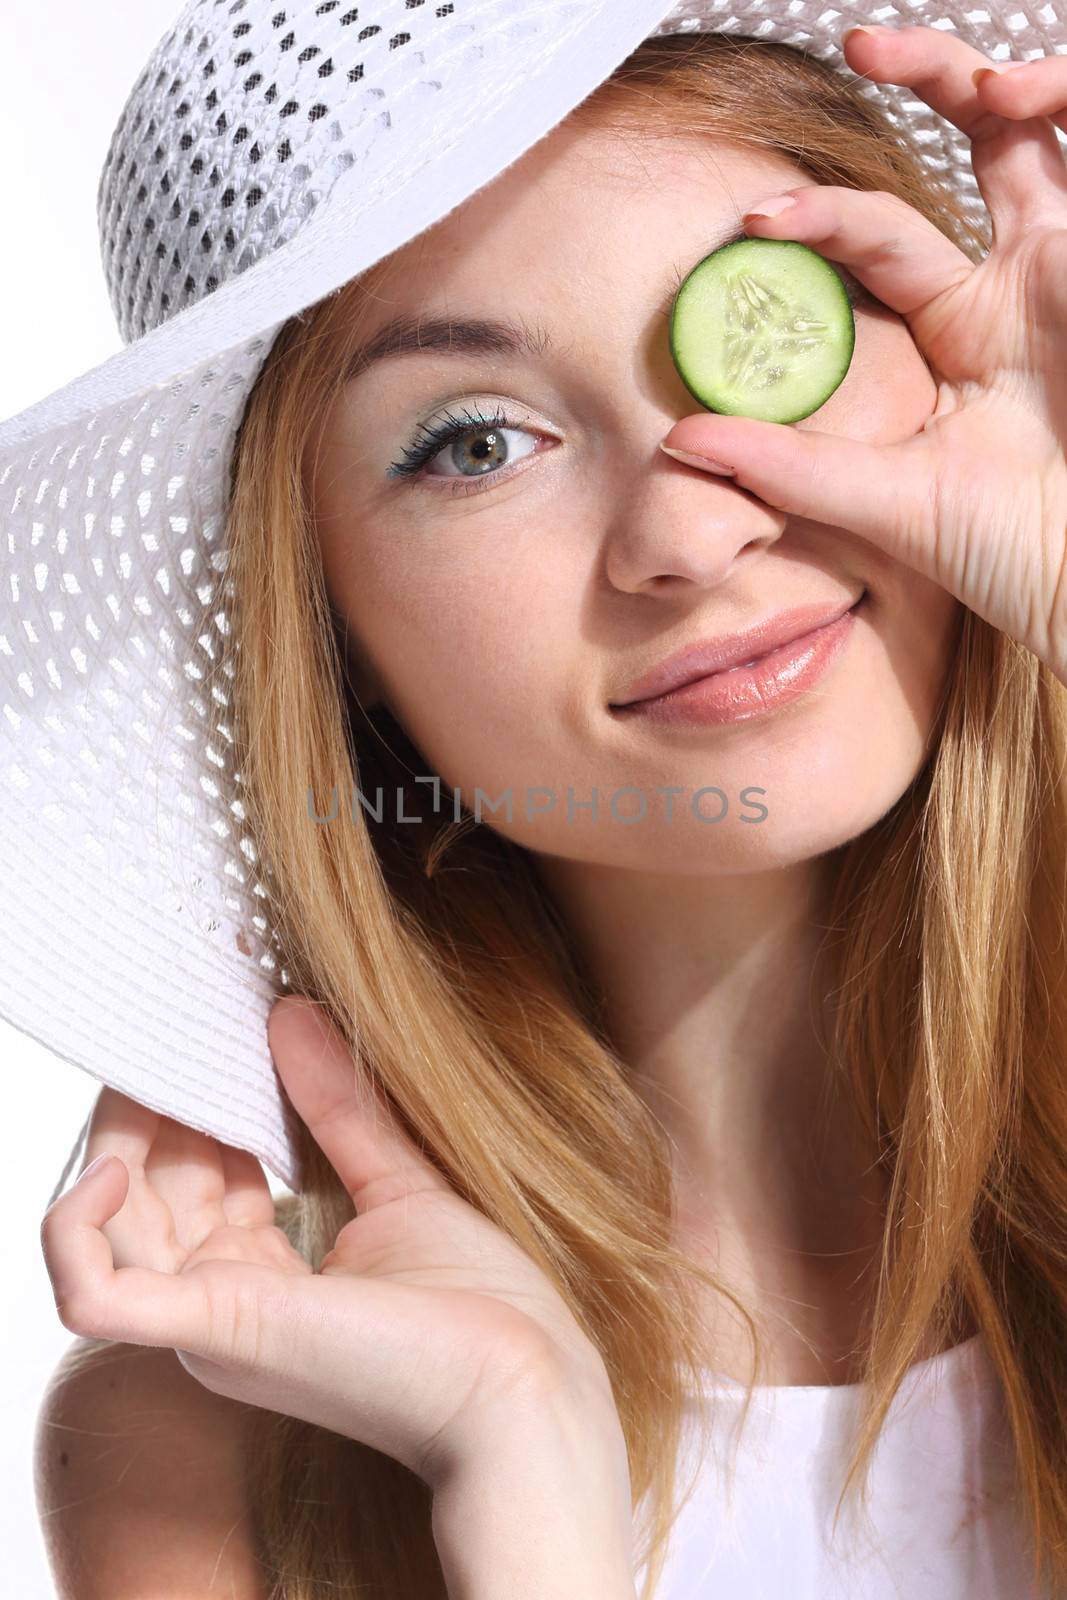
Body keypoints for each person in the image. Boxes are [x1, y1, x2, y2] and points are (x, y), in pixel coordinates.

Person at [27, 10, 1067, 1600]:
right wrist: (517, 1465)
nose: (691, 530)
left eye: (768, 327)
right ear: (334, 635)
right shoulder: (221, 1437)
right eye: (473, 442)